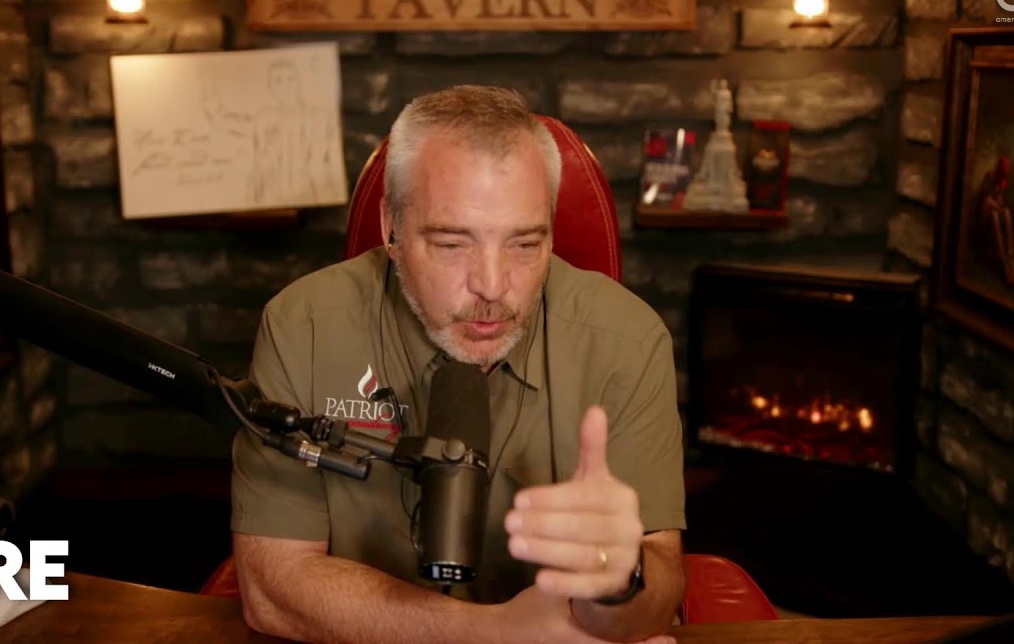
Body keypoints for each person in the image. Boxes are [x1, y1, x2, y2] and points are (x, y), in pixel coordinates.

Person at [230, 85, 686, 644]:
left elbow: (658, 601)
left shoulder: (628, 341)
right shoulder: (303, 326)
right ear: (391, 226)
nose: (492, 287)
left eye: (525, 244)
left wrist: (621, 577)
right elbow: (273, 587)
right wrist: (491, 633)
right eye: (452, 244)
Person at [975, 155, 1014, 287]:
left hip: (994, 212)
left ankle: (1011, 261)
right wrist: (997, 205)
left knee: (1007, 212)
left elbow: (1000, 202)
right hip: (985, 217)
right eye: (1003, 173)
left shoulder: (1003, 182)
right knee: (995, 216)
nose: (1004, 176)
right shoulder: (989, 177)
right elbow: (986, 201)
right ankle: (1004, 265)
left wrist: (1000, 200)